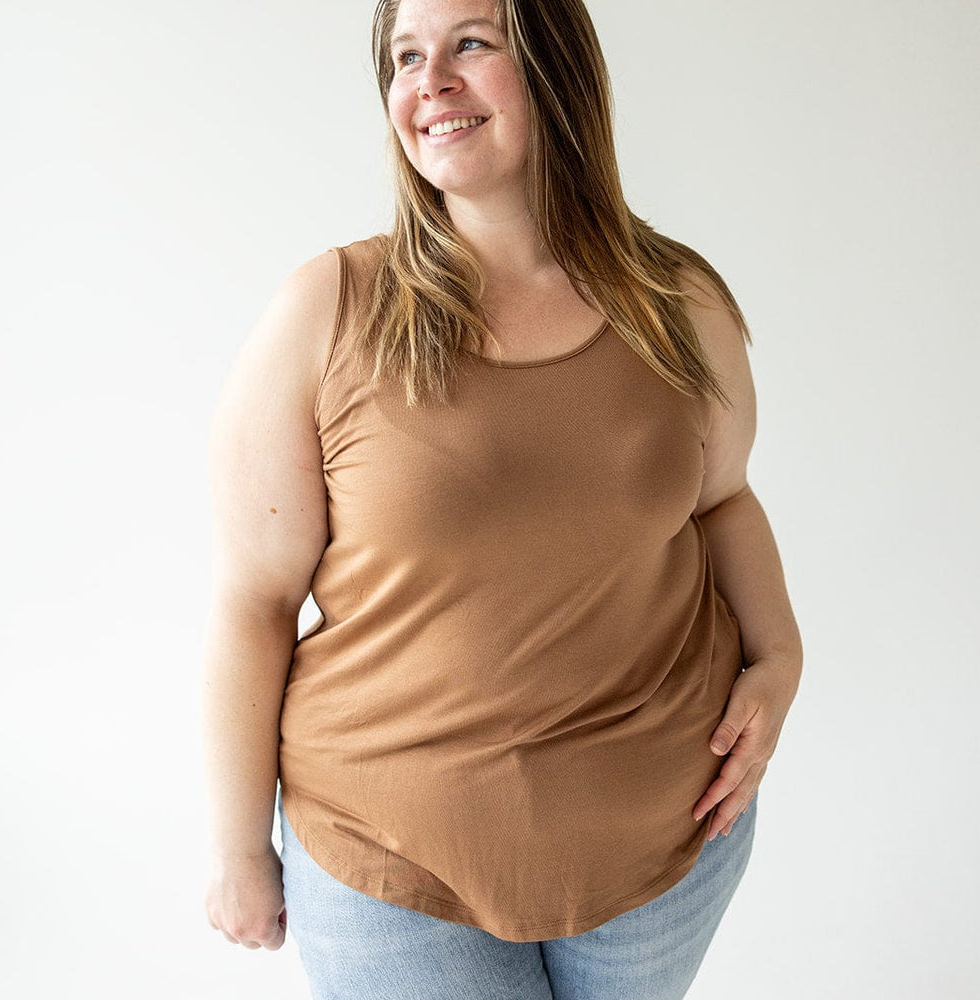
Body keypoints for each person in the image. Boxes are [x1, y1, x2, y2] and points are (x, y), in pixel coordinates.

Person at [203, 0, 803, 996]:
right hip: (390, 868)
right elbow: (253, 600)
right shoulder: (326, 311)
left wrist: (781, 656)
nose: (428, 82)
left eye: (469, 44)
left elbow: (722, 502)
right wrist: (237, 845)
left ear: (556, 66)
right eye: (403, 58)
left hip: (665, 854)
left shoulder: (678, 303)